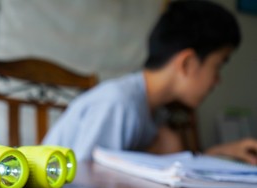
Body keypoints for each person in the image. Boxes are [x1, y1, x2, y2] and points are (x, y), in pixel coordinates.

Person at [42, 0, 257, 164]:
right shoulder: (118, 103)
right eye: (218, 66)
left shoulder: (155, 112)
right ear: (187, 63)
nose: (217, 81)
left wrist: (216, 153)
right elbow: (87, 182)